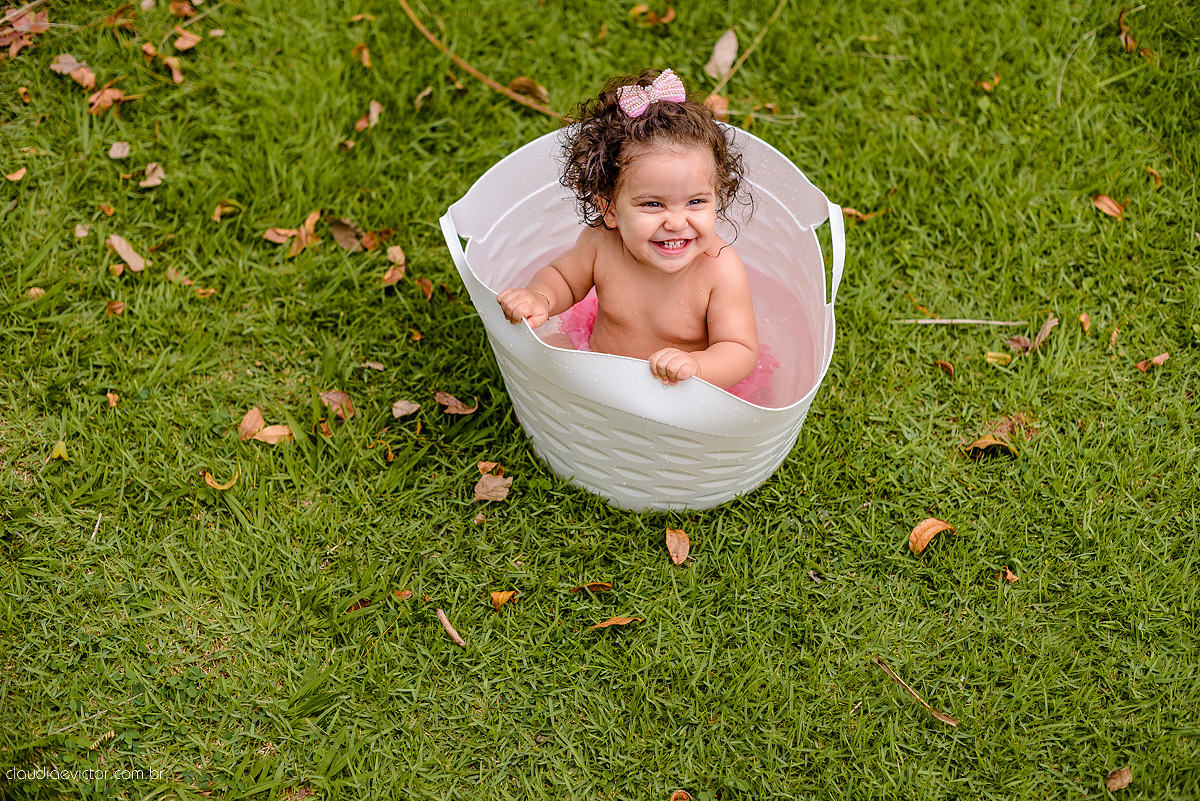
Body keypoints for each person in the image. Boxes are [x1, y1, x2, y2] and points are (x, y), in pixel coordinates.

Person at [497, 68, 766, 391]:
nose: (677, 222)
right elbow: (563, 279)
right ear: (610, 209)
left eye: (696, 202)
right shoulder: (601, 244)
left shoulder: (719, 269)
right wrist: (540, 297)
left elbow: (739, 350)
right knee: (553, 352)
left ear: (717, 196)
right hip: (602, 369)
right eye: (653, 205)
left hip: (681, 392)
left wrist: (697, 366)